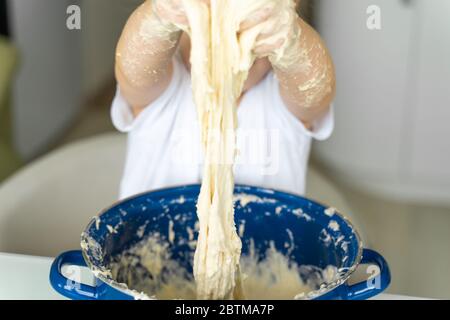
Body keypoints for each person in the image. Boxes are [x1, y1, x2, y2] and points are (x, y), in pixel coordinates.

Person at [112, 0, 336, 200]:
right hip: (143, 240)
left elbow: (315, 90)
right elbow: (135, 73)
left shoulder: (284, 101)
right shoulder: (162, 90)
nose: (231, 46)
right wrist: (160, 14)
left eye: (251, 30)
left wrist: (292, 39)